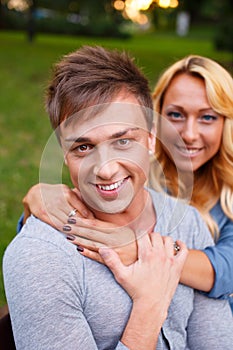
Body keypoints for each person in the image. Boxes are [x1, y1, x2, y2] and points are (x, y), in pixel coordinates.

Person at [4, 46, 233, 350]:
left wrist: (136, 248)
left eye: (123, 141)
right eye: (83, 147)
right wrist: (150, 304)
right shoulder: (40, 255)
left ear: (151, 138)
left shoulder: (188, 221)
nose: (106, 169)